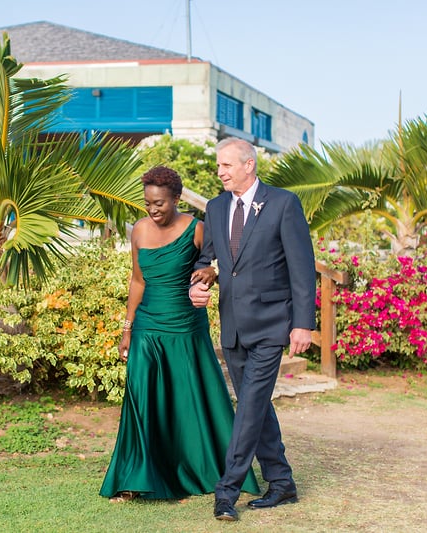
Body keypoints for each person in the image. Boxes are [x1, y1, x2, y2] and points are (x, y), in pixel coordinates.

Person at [99, 165, 259, 503]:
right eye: (148, 203)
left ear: (175, 199)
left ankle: (205, 470)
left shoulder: (198, 229)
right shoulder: (139, 231)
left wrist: (210, 275)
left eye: (159, 203)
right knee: (142, 398)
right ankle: (134, 479)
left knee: (190, 400)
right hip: (148, 327)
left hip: (186, 326)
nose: (153, 209)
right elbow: (137, 280)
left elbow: (218, 266)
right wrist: (127, 328)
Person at [189, 137, 317, 522]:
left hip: (271, 324)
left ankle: (226, 492)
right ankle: (281, 482)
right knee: (256, 407)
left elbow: (301, 268)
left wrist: (302, 324)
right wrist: (201, 280)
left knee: (247, 408)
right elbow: (207, 257)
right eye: (218, 167)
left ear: (249, 165)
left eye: (226, 165)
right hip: (232, 326)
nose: (220, 172)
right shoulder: (215, 207)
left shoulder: (283, 203)